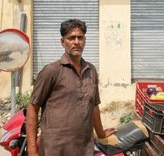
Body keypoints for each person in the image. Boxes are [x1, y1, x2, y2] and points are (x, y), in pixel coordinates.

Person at [26, 19, 116, 156]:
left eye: (80, 37)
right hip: (55, 149)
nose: (76, 42)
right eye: (71, 38)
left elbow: (94, 106)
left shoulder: (91, 71)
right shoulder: (52, 71)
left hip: (84, 148)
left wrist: (101, 133)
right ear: (63, 42)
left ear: (85, 40)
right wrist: (32, 150)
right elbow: (33, 107)